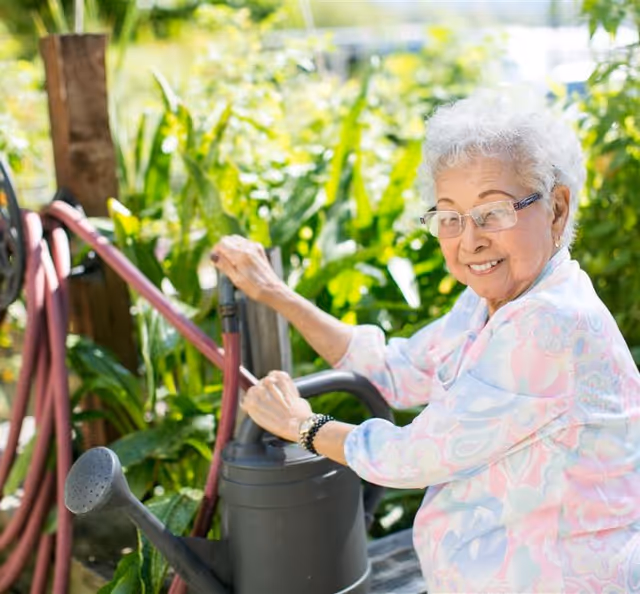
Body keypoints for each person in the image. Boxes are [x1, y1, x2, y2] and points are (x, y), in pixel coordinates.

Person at [210, 91, 640, 593]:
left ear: (556, 209)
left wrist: (300, 425)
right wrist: (274, 293)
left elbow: (415, 455)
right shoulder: (491, 303)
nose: (469, 239)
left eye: (493, 212)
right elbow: (392, 372)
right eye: (449, 217)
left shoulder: (550, 324)